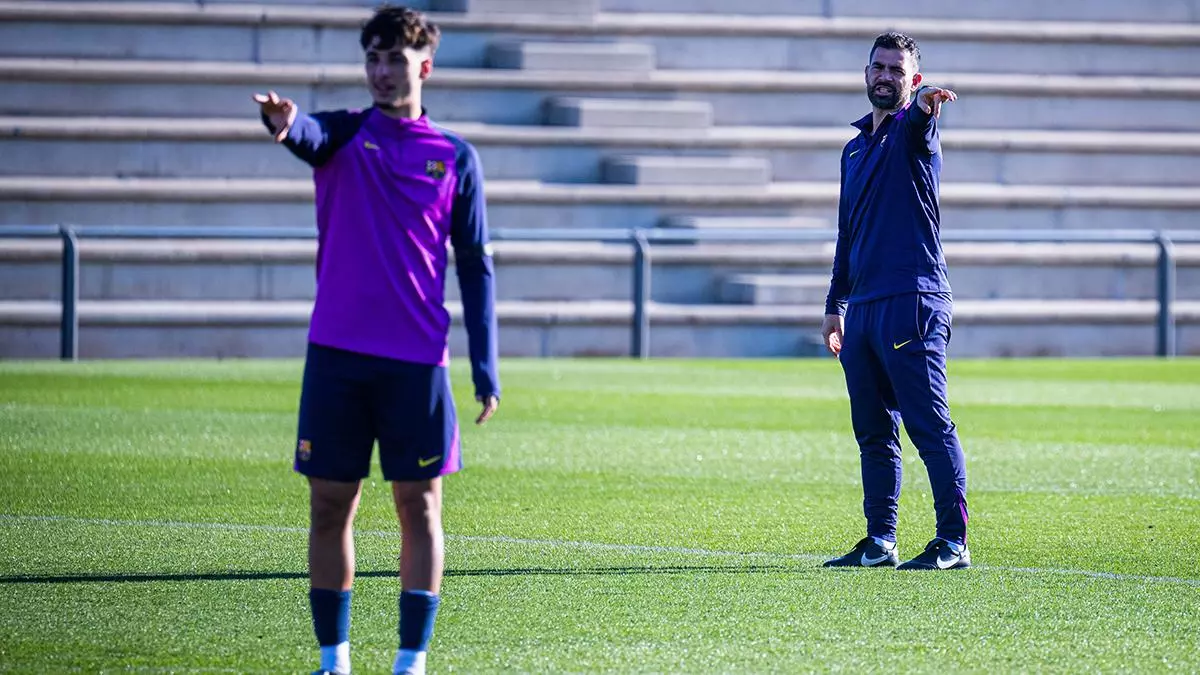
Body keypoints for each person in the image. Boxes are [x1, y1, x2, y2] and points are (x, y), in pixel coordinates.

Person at [253, 5, 500, 673]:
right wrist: (284, 125)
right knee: (330, 502)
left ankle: (410, 661)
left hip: (416, 362)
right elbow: (304, 132)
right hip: (335, 355)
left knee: (418, 506)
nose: (382, 72)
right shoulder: (340, 136)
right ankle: (334, 660)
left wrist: (485, 364)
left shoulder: (454, 157)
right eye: (372, 59)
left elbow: (475, 265)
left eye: (394, 59)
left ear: (425, 65)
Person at [820, 32, 970, 571]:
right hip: (863, 308)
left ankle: (953, 541)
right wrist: (836, 303)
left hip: (913, 300)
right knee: (874, 430)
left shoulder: (913, 131)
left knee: (928, 423)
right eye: (878, 67)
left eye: (897, 70)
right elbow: (847, 232)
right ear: (867, 73)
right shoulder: (854, 148)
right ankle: (880, 540)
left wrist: (927, 112)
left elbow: (919, 125)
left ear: (915, 82)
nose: (885, 76)